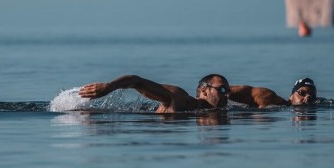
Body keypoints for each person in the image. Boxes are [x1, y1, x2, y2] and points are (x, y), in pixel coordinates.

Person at [78, 74, 230, 113]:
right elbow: (137, 80)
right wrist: (110, 86)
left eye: (228, 91)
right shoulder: (180, 98)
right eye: (222, 90)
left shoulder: (221, 112)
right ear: (203, 90)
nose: (226, 95)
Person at [228, 77, 318, 107]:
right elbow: (248, 91)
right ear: (291, 96)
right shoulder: (270, 98)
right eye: (302, 93)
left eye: (312, 96)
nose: (307, 97)